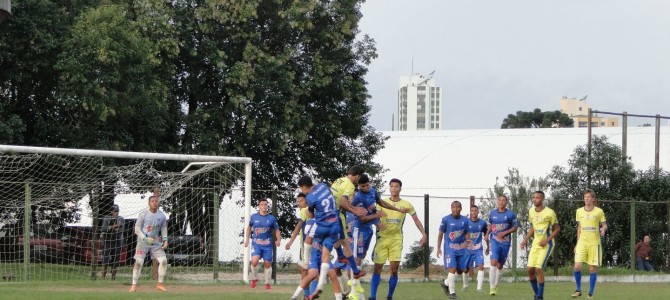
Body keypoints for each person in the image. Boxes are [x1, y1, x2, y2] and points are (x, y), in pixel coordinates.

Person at [370, 178, 427, 300]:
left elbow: (416, 220)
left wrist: (424, 234)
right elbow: (374, 217)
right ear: (389, 188)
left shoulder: (406, 204)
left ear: (400, 188)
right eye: (392, 186)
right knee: (377, 268)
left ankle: (389, 296)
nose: (394, 188)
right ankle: (372, 296)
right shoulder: (382, 203)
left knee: (394, 269)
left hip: (396, 239)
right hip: (382, 238)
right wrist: (377, 223)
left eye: (396, 186)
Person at [296, 175, 343, 299]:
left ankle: (305, 294)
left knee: (329, 274)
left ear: (304, 188)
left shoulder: (313, 208)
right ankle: (305, 295)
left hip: (320, 249)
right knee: (312, 274)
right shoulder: (323, 186)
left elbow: (308, 236)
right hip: (316, 251)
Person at [520, 191, 560, 300]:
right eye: (533, 197)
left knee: (538, 269)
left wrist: (547, 240)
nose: (534, 199)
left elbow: (557, 229)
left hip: (547, 244)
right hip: (535, 244)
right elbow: (533, 227)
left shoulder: (550, 212)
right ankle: (538, 295)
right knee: (530, 270)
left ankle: (539, 297)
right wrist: (524, 240)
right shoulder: (531, 212)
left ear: (542, 199)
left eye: (537, 198)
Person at [571, 189, 607, 299]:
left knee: (592, 269)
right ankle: (578, 290)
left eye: (588, 197)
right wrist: (577, 243)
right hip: (582, 242)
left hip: (594, 244)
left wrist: (603, 229)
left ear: (593, 199)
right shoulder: (579, 211)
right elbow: (579, 227)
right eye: (585, 197)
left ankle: (590, 293)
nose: (586, 198)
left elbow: (604, 225)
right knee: (577, 266)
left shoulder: (599, 211)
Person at [129, 195, 169, 292]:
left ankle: (160, 284)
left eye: (156, 201)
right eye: (152, 201)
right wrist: (145, 239)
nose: (154, 203)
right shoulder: (143, 215)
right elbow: (137, 229)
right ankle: (134, 285)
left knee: (163, 261)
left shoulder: (162, 215)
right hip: (142, 243)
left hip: (155, 243)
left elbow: (163, 228)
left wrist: (165, 240)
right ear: (149, 203)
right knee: (138, 263)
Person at [244, 198, 281, 290]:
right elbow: (249, 228)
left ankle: (267, 283)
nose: (264, 206)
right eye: (262, 204)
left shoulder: (271, 218)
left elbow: (277, 230)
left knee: (267, 264)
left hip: (268, 245)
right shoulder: (254, 217)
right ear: (259, 206)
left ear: (268, 206)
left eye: (266, 204)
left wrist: (278, 240)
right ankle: (255, 278)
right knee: (254, 261)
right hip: (256, 244)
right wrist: (247, 239)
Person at [486, 194, 518, 296]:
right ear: (497, 201)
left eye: (503, 200)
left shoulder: (510, 214)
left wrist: (504, 233)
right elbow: (491, 225)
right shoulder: (492, 213)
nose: (501, 202)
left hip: (505, 243)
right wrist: (487, 233)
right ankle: (491, 288)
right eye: (499, 200)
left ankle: (496, 285)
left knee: (500, 266)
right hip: (494, 241)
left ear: (506, 202)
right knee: (493, 262)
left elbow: (515, 228)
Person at [437, 201, 470, 300]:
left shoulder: (465, 220)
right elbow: (440, 234)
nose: (455, 209)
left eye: (457, 207)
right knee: (452, 268)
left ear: (461, 208)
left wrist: (468, 239)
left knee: (461, 270)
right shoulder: (446, 219)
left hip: (461, 248)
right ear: (451, 208)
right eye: (453, 207)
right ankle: (452, 293)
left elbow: (467, 232)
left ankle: (446, 283)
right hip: (450, 248)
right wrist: (438, 248)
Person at [286, 193, 315, 298]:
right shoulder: (315, 211)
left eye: (301, 201)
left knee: (304, 270)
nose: (299, 203)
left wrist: (290, 242)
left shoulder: (304, 211)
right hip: (316, 245)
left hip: (306, 246)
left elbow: (298, 227)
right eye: (298, 201)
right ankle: (309, 294)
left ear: (307, 201)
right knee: (312, 269)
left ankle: (307, 295)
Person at [463, 205, 489, 292]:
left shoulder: (482, 223)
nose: (474, 212)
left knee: (481, 266)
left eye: (475, 211)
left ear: (478, 212)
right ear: (470, 212)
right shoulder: (466, 222)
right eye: (472, 211)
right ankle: (465, 285)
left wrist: (488, 247)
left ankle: (479, 288)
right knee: (466, 269)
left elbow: (486, 236)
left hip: (478, 249)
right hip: (468, 250)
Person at [101, 204, 124, 280]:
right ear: (111, 211)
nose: (116, 212)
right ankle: (102, 278)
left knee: (115, 262)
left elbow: (121, 229)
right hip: (107, 241)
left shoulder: (121, 219)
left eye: (117, 211)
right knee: (105, 261)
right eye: (114, 211)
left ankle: (113, 279)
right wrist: (112, 227)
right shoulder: (106, 218)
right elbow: (103, 229)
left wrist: (116, 228)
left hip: (117, 241)